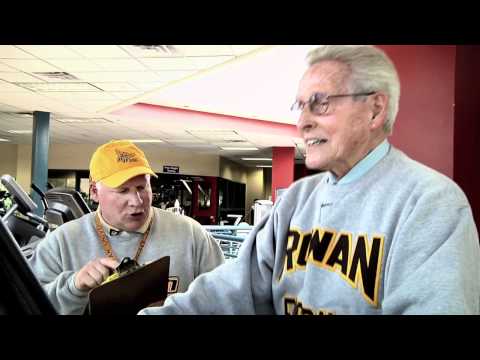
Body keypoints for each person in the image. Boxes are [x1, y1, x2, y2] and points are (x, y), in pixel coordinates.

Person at [139, 45, 480, 315]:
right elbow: (231, 291)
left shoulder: (430, 203)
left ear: (375, 110)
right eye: (300, 107)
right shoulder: (296, 200)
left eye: (320, 104)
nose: (302, 123)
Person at [28, 140, 224, 314]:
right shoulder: (61, 242)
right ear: (95, 192)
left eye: (142, 187)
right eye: (123, 191)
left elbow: (224, 298)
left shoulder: (191, 234)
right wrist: (73, 288)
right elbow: (28, 305)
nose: (136, 201)